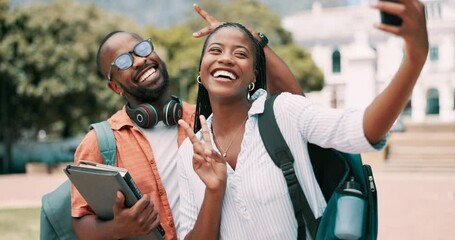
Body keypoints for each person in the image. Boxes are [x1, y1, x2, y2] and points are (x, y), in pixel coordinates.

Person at [177, 0, 428, 239]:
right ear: (201, 69)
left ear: (254, 75)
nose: (226, 58)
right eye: (216, 50)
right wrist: (214, 190)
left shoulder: (285, 112)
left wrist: (414, 59)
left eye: (240, 53)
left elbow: (363, 130)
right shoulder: (189, 152)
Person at [70, 4, 303, 240]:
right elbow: (80, 222)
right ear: (115, 87)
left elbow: (293, 104)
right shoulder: (99, 142)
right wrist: (118, 228)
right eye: (122, 62)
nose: (139, 61)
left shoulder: (210, 120)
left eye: (141, 49)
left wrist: (246, 37)